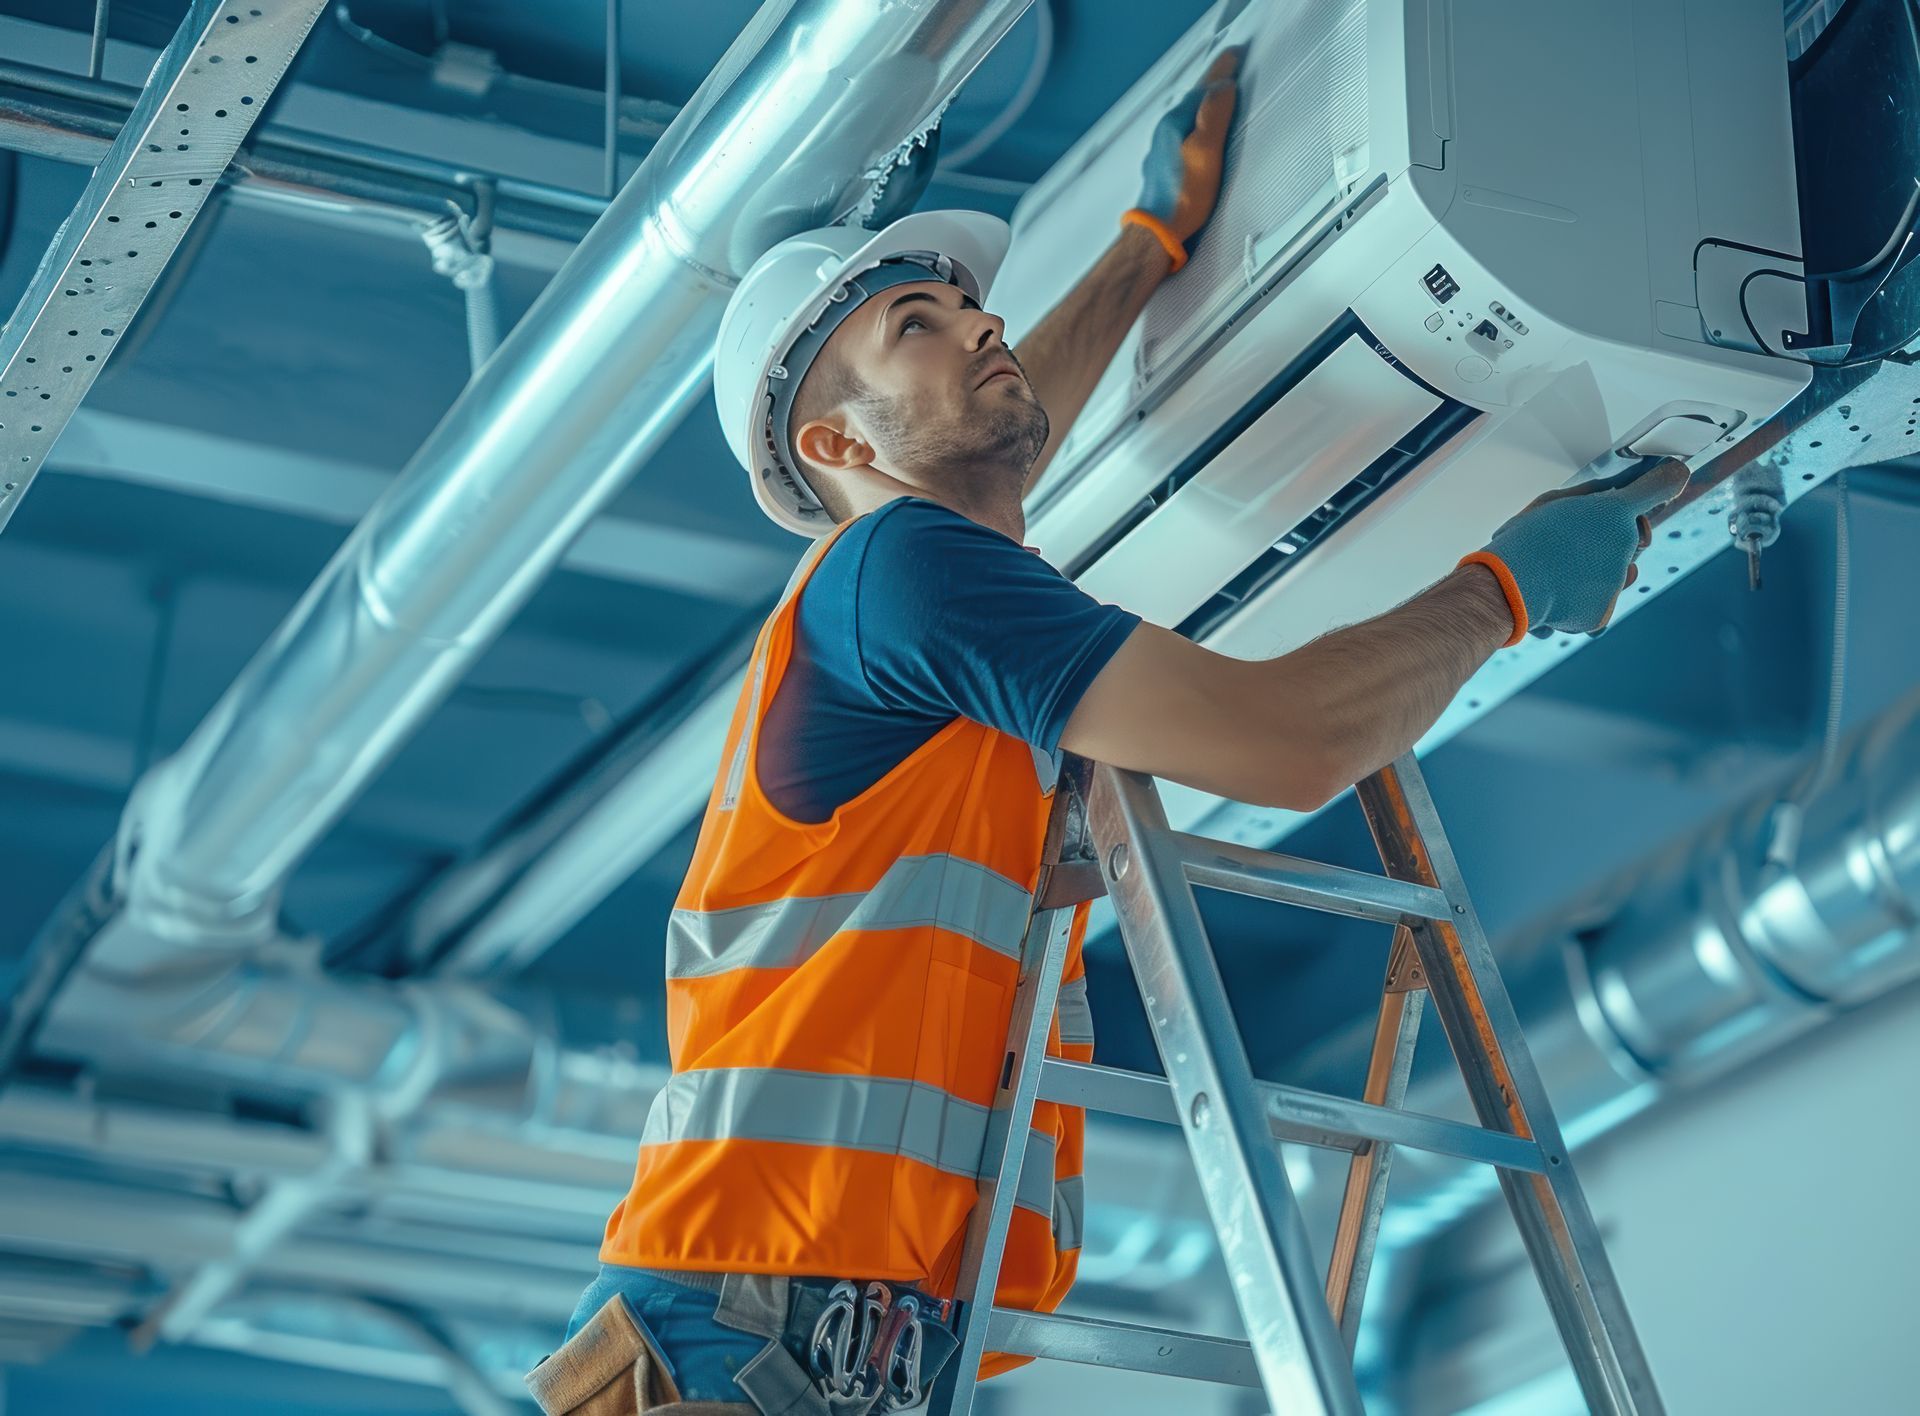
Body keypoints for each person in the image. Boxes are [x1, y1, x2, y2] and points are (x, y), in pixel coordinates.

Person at [525, 44, 1685, 1416]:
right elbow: (1291, 740)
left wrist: (1150, 247)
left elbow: (995, 441)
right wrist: (1501, 594)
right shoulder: (901, 573)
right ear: (837, 450)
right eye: (917, 325)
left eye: (972, 308)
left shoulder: (912, 582)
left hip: (796, 1341)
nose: (980, 327)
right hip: (751, 1342)